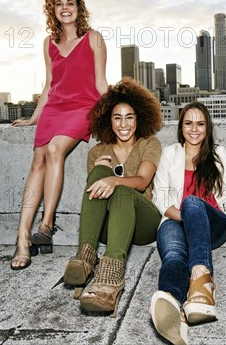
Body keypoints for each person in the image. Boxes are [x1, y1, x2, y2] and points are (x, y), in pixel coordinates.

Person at [10, 0, 108, 270]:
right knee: (37, 162)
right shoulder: (48, 43)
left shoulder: (94, 39)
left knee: (54, 150)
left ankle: (47, 223)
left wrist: (117, 112)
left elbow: (101, 83)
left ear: (79, 7)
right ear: (52, 10)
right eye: (58, 4)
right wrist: (33, 118)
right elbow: (48, 85)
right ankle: (22, 238)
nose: (65, 7)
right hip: (54, 108)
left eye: (70, 3)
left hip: (83, 107)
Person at [62, 78, 163, 317]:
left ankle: (111, 276)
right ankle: (85, 256)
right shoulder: (98, 151)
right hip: (111, 226)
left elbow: (142, 182)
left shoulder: (149, 143)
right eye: (117, 117)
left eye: (129, 117)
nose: (123, 124)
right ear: (109, 120)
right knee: (98, 172)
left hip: (143, 221)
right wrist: (101, 172)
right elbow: (96, 199)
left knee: (123, 189)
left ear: (139, 119)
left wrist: (114, 180)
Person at [149, 102, 226, 345]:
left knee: (191, 203)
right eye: (188, 123)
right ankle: (172, 308)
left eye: (200, 124)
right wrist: (184, 219)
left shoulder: (219, 154)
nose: (194, 129)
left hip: (212, 225)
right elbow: (159, 196)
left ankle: (203, 283)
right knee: (173, 255)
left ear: (207, 127)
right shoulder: (170, 153)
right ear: (181, 127)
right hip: (174, 219)